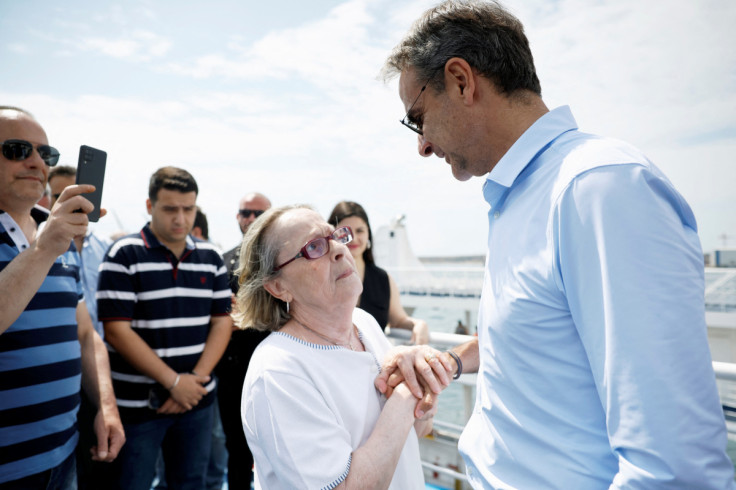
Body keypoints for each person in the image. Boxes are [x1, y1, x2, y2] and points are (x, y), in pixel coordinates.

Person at [376, 1, 735, 487]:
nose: (421, 144)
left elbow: (673, 466)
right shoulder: (525, 197)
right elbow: (541, 334)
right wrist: (453, 361)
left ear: (461, 81)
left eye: (417, 118)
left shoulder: (599, 189)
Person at [236, 204, 433, 488]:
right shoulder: (278, 372)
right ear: (278, 287)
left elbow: (416, 431)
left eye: (335, 237)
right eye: (314, 247)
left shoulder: (364, 323)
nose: (342, 249)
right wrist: (405, 397)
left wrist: (423, 387)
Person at [0, 106, 124, 487]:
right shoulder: (55, 238)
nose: (37, 162)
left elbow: (85, 335)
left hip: (64, 455)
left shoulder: (58, 234)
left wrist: (105, 404)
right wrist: (42, 251)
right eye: (18, 149)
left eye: (46, 154)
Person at [97, 166, 233, 489]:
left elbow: (222, 322)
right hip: (138, 406)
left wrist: (193, 382)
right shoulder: (122, 255)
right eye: (170, 209)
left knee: (191, 484)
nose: (181, 218)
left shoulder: (212, 257)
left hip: (197, 402)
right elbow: (116, 330)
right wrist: (173, 382)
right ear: (149, 206)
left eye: (189, 209)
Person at [46, 164, 114, 490]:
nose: (73, 202)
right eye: (61, 195)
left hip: (101, 374)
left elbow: (89, 331)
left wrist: (106, 403)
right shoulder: (36, 250)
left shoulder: (106, 249)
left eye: (81, 194)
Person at [215, 191, 271, 489]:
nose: (250, 219)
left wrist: (247, 316)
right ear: (237, 217)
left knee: (276, 451)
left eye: (257, 214)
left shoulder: (283, 261)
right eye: (245, 213)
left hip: (274, 371)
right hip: (232, 372)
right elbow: (215, 315)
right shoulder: (222, 263)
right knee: (236, 452)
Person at [328, 201, 429, 344]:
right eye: (346, 231)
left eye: (360, 231)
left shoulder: (383, 279)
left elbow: (398, 320)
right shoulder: (323, 277)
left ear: (368, 233)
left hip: (374, 364)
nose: (354, 238)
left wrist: (418, 325)